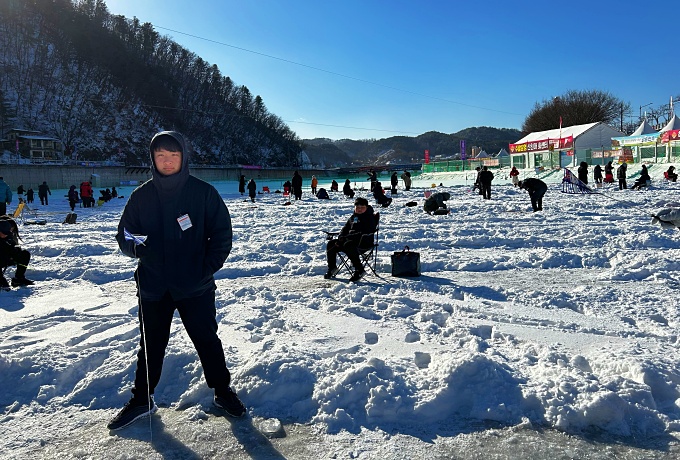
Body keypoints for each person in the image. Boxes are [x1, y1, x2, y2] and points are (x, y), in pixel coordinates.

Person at [110, 130, 244, 431]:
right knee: (151, 345)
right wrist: (140, 247)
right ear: (152, 159)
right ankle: (141, 398)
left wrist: (204, 269)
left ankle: (222, 391)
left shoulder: (203, 193)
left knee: (207, 340)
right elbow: (125, 235)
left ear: (184, 158)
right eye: (161, 156)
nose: (167, 161)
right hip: (153, 287)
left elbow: (222, 235)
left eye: (174, 155)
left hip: (195, 286)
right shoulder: (141, 195)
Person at [324, 197, 376, 283]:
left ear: (366, 208)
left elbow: (365, 231)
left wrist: (346, 237)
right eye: (357, 207)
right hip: (348, 241)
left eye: (362, 207)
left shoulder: (370, 218)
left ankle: (359, 270)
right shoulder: (353, 217)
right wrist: (341, 236)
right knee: (331, 244)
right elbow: (345, 229)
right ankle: (332, 268)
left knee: (348, 244)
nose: (359, 209)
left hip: (364, 243)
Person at [0, 215, 34, 290]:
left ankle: (19, 278)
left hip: (5, 258)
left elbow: (12, 246)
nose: (6, 234)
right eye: (4, 232)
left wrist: (15, 250)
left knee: (25, 254)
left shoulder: (9, 236)